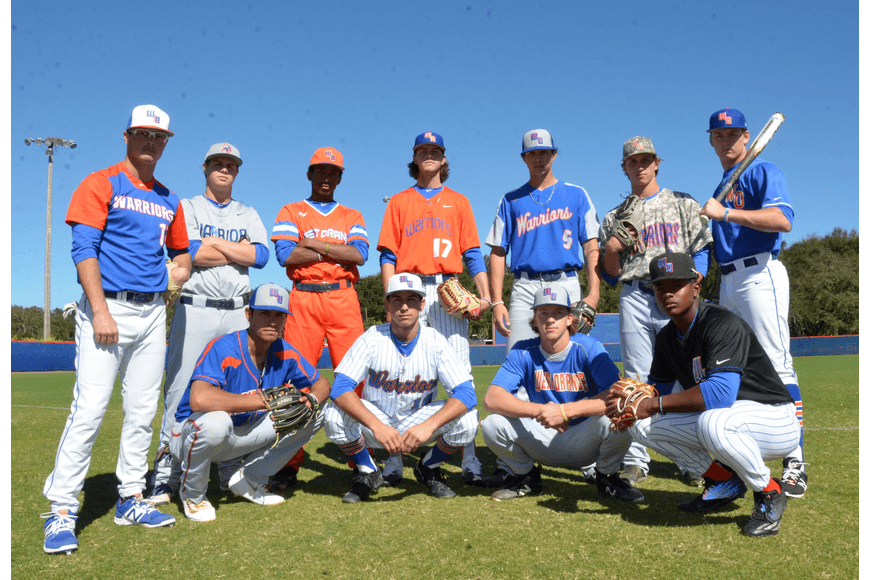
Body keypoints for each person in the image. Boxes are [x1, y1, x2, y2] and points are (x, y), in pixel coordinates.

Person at [41, 105, 191, 554]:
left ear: (166, 143)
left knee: (143, 411)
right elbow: (83, 246)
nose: (151, 142)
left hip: (151, 315)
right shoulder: (100, 182)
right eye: (143, 134)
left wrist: (176, 274)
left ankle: (131, 497)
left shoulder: (169, 198)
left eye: (159, 137)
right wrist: (101, 311)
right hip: (106, 308)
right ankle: (62, 509)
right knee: (89, 409)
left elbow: (183, 255)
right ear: (127, 136)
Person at [611, 252, 800, 537]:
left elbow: (721, 393)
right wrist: (618, 402)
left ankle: (769, 492)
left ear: (696, 287)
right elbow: (652, 392)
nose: (667, 293)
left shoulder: (721, 323)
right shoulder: (666, 338)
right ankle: (723, 481)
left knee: (712, 421)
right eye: (660, 287)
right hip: (730, 420)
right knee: (642, 425)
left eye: (676, 285)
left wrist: (653, 403)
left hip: (774, 419)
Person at [149, 142, 270, 505]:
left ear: (237, 170)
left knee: (235, 387)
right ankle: (166, 473)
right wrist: (234, 249)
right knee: (181, 389)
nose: (224, 168)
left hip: (237, 309)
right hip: (196, 307)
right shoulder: (186, 206)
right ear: (204, 168)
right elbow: (187, 251)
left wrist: (212, 244)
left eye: (230, 164)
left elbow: (261, 256)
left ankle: (225, 469)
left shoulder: (247, 212)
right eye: (217, 162)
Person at [699, 108, 806, 498]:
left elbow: (782, 220)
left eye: (732, 134)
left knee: (777, 363)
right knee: (736, 367)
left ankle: (795, 459)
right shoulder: (722, 184)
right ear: (712, 141)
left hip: (761, 273)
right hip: (728, 280)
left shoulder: (763, 171)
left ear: (747, 137)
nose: (725, 141)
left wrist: (725, 212)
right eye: (718, 135)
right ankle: (742, 457)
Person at [598, 136, 713, 486]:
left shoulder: (682, 203)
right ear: (624, 168)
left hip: (676, 294)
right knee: (636, 376)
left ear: (657, 162)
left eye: (645, 159)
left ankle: (692, 459)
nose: (640, 166)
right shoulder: (614, 216)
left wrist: (697, 280)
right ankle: (636, 459)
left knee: (685, 375)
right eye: (633, 161)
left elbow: (702, 249)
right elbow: (609, 275)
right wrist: (614, 248)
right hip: (634, 294)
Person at [377, 132, 490, 484]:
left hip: (447, 288)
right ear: (415, 158)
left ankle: (469, 457)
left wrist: (486, 297)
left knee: (461, 373)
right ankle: (395, 458)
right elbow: (388, 256)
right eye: (423, 150)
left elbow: (472, 253)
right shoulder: (398, 201)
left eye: (436, 151)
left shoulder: (459, 201)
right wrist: (390, 299)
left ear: (443, 160)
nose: (429, 155)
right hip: (408, 288)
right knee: (404, 373)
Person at [170, 283, 331, 521]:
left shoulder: (284, 351)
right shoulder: (224, 346)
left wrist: (311, 400)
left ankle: (250, 479)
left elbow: (323, 384)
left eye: (279, 315)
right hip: (192, 436)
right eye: (264, 313)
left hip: (239, 436)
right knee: (217, 422)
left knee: (318, 411)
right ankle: (193, 495)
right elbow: (199, 398)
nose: (272, 321)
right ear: (249, 314)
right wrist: (262, 401)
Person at [322, 274, 480, 502]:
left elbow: (466, 392)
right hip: (377, 420)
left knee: (468, 421)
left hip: (418, 421)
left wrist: (428, 426)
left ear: (422, 304)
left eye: (412, 299)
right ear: (387, 304)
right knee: (334, 415)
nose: (404, 307)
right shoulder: (372, 338)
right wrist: (377, 426)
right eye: (397, 300)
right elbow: (340, 387)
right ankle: (369, 470)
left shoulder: (436, 341)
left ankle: (428, 466)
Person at [479, 286, 643, 504]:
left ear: (569, 318)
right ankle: (526, 477)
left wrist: (565, 412)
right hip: (543, 434)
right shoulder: (523, 350)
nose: (550, 320)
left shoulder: (587, 347)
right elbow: (492, 398)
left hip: (585, 437)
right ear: (535, 320)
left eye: (558, 313)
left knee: (623, 417)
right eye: (543, 313)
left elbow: (620, 396)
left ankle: (607, 477)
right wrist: (541, 410)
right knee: (492, 424)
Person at [270, 147, 369, 486]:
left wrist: (315, 245)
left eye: (333, 172)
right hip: (304, 299)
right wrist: (333, 252)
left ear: (340, 177)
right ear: (310, 174)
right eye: (320, 171)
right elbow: (285, 255)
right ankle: (288, 462)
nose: (326, 177)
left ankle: (362, 461)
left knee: (355, 381)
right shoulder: (291, 210)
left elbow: (359, 254)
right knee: (293, 379)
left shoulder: (352, 215)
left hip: (343, 297)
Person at [486, 129, 602, 349]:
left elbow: (591, 246)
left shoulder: (577, 194)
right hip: (524, 286)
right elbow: (498, 252)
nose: (538, 158)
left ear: (554, 154)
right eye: (532, 154)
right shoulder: (510, 200)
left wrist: (594, 294)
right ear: (524, 158)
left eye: (544, 152)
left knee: (570, 358)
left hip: (566, 282)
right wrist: (497, 301)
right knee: (518, 359)